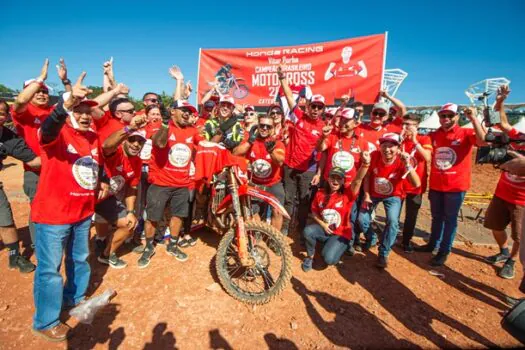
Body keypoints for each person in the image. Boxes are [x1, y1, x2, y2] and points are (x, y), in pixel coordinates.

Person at [31, 73, 102, 342]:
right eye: (78, 110)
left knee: (79, 259)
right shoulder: (57, 133)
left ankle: (75, 298)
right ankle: (46, 321)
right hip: (54, 216)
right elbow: (48, 129)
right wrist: (63, 106)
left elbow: (94, 169)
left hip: (82, 213)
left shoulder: (92, 138)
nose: (84, 116)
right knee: (50, 270)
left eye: (88, 112)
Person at [414, 103, 486, 266]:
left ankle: (444, 250)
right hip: (436, 184)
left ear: (457, 116)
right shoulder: (435, 134)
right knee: (436, 217)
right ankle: (433, 244)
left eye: (449, 115)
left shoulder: (465, 132)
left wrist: (474, 118)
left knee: (450, 219)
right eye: (442, 115)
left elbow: (483, 142)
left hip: (456, 186)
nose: (445, 118)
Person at [138, 100, 203, 268]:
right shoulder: (158, 125)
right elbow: (159, 143)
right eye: (183, 110)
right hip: (160, 183)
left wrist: (215, 134)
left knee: (178, 215)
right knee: (153, 217)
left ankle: (173, 245)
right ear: (173, 111)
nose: (187, 113)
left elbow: (203, 144)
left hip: (182, 183)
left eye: (189, 111)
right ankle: (148, 247)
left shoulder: (192, 130)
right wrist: (166, 124)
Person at [11, 59, 69, 246]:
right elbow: (20, 100)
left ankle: (57, 240)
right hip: (35, 171)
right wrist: (41, 78)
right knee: (38, 209)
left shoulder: (52, 111)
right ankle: (39, 245)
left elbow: (70, 102)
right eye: (37, 91)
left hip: (58, 169)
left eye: (45, 91)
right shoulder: (24, 112)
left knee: (59, 205)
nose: (43, 94)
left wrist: (65, 82)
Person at [358, 133, 421, 268]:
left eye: (391, 146)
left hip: (393, 195)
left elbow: (416, 183)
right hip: (374, 194)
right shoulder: (374, 156)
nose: (387, 149)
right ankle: (372, 238)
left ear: (398, 148)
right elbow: (367, 176)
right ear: (380, 147)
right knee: (362, 218)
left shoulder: (402, 160)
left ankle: (384, 253)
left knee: (392, 221)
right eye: (384, 146)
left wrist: (408, 165)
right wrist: (367, 195)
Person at [95, 116, 147, 268]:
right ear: (125, 140)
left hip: (107, 199)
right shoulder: (115, 152)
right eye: (132, 140)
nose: (136, 144)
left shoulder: (137, 161)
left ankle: (106, 254)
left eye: (140, 141)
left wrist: (130, 211)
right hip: (87, 196)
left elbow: (132, 187)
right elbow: (106, 146)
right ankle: (100, 241)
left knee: (129, 223)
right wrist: (128, 128)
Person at [483, 85, 525, 279]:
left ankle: (512, 261)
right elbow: (504, 124)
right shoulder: (520, 138)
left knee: (520, 236)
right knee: (494, 225)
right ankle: (504, 251)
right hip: (502, 193)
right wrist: (500, 101)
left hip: (522, 201)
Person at [278, 66, 325, 236]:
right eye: (314, 106)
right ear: (308, 106)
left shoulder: (324, 127)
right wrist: (282, 77)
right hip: (290, 166)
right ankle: (285, 227)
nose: (315, 110)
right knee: (289, 200)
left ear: (322, 110)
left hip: (308, 170)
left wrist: (318, 173)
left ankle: (301, 230)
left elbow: (323, 152)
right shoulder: (298, 115)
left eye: (319, 108)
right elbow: (289, 96)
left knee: (304, 203)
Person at [302, 155, 370, 272]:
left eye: (339, 178)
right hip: (326, 229)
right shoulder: (320, 194)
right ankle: (310, 257)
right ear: (328, 179)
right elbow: (314, 212)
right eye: (332, 177)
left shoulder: (348, 194)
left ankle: (340, 247)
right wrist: (322, 224)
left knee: (329, 259)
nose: (335, 181)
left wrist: (365, 164)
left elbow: (358, 181)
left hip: (341, 234)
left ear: (343, 181)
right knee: (308, 231)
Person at [0, 100, 38, 273]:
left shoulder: (7, 136)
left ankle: (15, 257)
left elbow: (33, 160)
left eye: (1, 112)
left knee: (5, 218)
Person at [233, 114, 286, 230]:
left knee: (277, 211)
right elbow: (235, 153)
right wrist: (250, 141)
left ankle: (274, 239)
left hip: (273, 183)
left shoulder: (277, 143)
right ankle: (257, 235)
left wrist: (271, 151)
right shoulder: (251, 140)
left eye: (268, 126)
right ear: (257, 126)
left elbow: (280, 162)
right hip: (255, 183)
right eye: (262, 125)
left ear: (273, 128)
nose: (265, 128)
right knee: (253, 210)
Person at [399, 113, 432, 252]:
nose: (405, 127)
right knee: (394, 215)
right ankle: (392, 237)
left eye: (408, 124)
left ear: (417, 126)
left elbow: (427, 157)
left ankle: (406, 241)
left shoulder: (424, 138)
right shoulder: (399, 139)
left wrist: (414, 141)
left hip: (415, 185)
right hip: (399, 185)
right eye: (404, 124)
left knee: (411, 216)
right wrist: (399, 140)